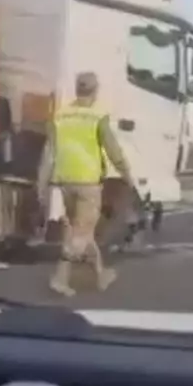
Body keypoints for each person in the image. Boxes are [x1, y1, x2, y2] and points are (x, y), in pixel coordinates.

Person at [37, 71, 135, 297]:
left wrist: (41, 184)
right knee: (81, 232)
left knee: (82, 230)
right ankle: (60, 278)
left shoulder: (60, 116)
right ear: (95, 90)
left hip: (64, 181)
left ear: (77, 88)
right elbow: (113, 151)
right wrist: (126, 174)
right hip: (88, 182)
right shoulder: (97, 117)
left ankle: (101, 275)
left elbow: (49, 152)